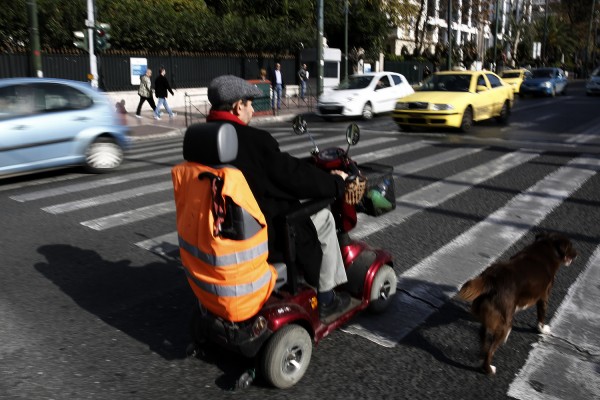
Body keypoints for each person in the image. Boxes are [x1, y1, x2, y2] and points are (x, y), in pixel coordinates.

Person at [206, 75, 351, 318]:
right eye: (250, 103)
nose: (252, 109)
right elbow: (291, 177)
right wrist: (335, 182)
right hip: (264, 232)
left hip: (221, 226)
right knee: (324, 217)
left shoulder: (203, 138)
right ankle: (325, 297)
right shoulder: (252, 141)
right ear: (237, 106)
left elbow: (275, 171)